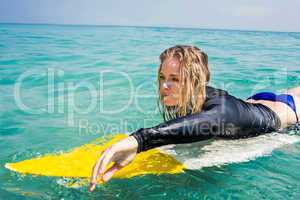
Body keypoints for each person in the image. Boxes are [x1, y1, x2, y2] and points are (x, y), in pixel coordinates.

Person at [88, 45, 299, 191]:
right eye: (162, 77)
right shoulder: (200, 97)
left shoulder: (221, 112)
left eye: (174, 79)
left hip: (290, 111)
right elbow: (192, 125)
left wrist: (139, 140)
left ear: (195, 81)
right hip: (256, 103)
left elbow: (211, 121)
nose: (164, 87)